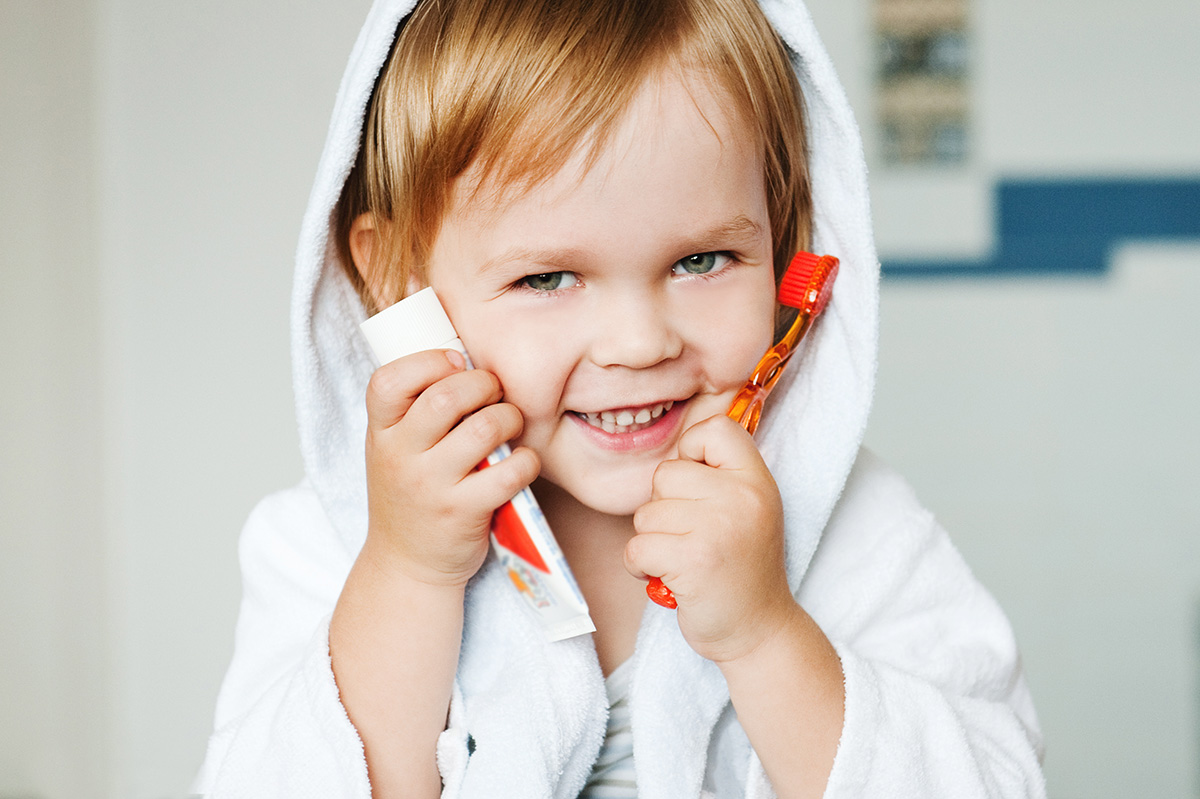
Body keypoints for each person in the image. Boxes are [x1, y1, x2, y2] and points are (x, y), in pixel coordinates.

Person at [195, 0, 1046, 797]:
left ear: (788, 243)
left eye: (702, 260)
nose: (640, 343)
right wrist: (408, 571)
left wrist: (764, 633)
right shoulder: (324, 544)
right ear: (399, 281)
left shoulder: (861, 529)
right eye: (548, 277)